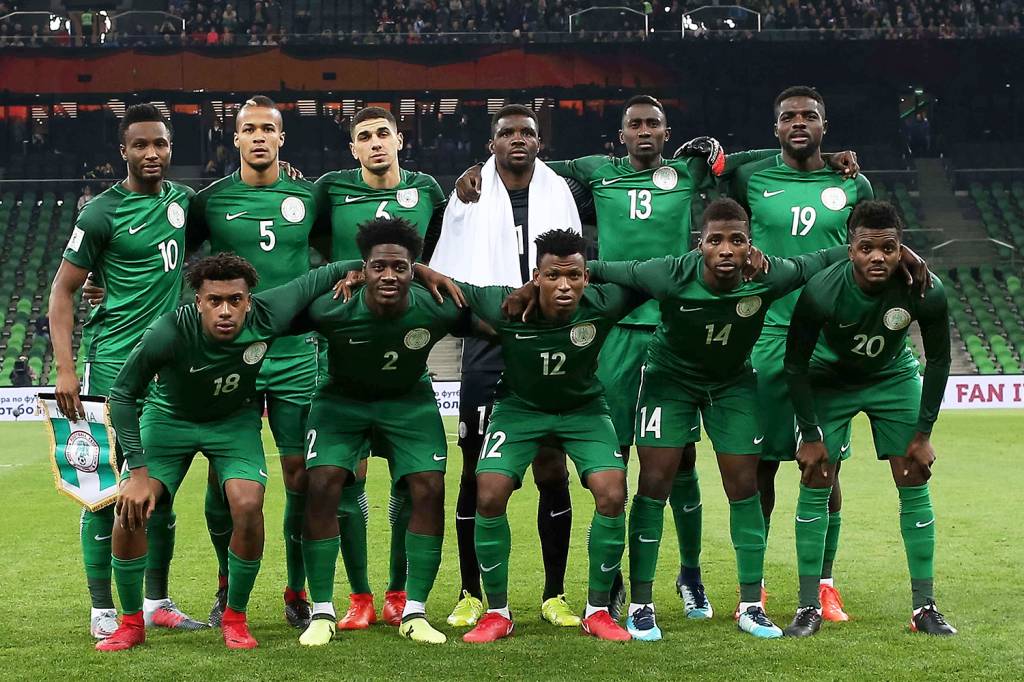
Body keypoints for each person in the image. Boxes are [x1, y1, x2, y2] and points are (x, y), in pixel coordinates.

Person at [455, 95, 857, 619]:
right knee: (615, 458)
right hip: (616, 325)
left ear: (668, 133)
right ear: (620, 134)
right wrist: (476, 169)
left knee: (681, 459)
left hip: (673, 320)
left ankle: (689, 576)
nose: (644, 132)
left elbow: (751, 161)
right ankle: (615, 583)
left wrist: (829, 161)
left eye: (654, 124)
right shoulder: (596, 171)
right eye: (635, 125)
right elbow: (527, 159)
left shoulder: (688, 172)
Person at [577, 198, 874, 640]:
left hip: (732, 384)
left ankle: (751, 605)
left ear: (749, 245)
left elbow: (822, 257)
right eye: (715, 240)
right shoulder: (670, 272)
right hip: (669, 381)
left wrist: (895, 250)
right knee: (655, 483)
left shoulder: (767, 276)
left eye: (737, 240)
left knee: (744, 486)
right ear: (700, 244)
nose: (726, 249)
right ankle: (641, 604)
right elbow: (605, 269)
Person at [98, 253, 358, 652]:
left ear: (249, 300)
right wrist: (136, 472)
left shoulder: (269, 312)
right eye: (214, 301)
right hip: (169, 420)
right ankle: (131, 622)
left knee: (248, 502)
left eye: (235, 300)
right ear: (197, 301)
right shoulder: (167, 331)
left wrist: (407, 269)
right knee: (132, 506)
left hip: (233, 423)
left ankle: (235, 616)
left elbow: (329, 271)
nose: (225, 310)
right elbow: (122, 394)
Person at [430, 104, 592, 629]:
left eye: (526, 132)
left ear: (539, 141)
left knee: (551, 465)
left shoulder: (560, 191)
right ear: (491, 141)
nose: (517, 139)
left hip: (547, 340)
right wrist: (483, 325)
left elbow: (574, 268)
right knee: (476, 470)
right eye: (506, 133)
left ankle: (554, 594)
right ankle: (470, 592)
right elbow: (449, 273)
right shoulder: (467, 194)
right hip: (486, 340)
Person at [50, 103, 204, 640]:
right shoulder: (100, 213)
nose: (151, 153)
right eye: (140, 144)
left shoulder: (184, 201)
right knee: (107, 493)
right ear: (124, 151)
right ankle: (102, 608)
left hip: (167, 373)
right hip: (112, 368)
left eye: (159, 143)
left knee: (155, 490)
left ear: (170, 147)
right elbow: (62, 292)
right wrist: (66, 370)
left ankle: (156, 600)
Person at [449, 229, 641, 643]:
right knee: (488, 491)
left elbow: (653, 278)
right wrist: (403, 269)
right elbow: (448, 287)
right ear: (536, 276)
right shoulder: (503, 304)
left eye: (574, 275)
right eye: (554, 276)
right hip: (520, 410)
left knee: (612, 491)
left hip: (583, 410)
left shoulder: (603, 303)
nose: (565, 285)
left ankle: (597, 610)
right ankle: (497, 612)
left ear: (587, 278)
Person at [186, 95, 331, 630]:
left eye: (269, 128)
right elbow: (173, 256)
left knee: (300, 474)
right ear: (237, 138)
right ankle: (226, 584)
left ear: (281, 137)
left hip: (294, 353)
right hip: (230, 354)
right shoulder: (211, 201)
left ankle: (295, 588)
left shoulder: (308, 196)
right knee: (224, 473)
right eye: (249, 129)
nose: (260, 137)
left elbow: (330, 249)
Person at [731, 86, 874, 620]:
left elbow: (868, 252)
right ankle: (759, 585)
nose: (798, 123)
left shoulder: (851, 182)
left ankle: (825, 583)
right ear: (774, 128)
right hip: (766, 335)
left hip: (829, 338)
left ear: (825, 124)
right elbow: (712, 166)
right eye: (787, 116)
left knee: (825, 469)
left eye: (808, 116)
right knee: (763, 468)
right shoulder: (752, 177)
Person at [782, 200, 956, 637]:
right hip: (830, 376)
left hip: (892, 376)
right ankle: (808, 605)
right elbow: (795, 365)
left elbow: (937, 361)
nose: (877, 257)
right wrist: (809, 433)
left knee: (914, 474)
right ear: (850, 248)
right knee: (817, 474)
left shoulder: (925, 289)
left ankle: (924, 608)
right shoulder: (822, 290)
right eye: (866, 248)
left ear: (901, 250)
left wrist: (923, 433)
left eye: (888, 248)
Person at [296, 218, 469, 647]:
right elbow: (271, 316)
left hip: (408, 402)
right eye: (378, 267)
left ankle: (413, 609)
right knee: (322, 483)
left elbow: (492, 317)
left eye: (400, 268)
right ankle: (322, 611)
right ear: (364, 268)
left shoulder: (437, 305)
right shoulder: (330, 306)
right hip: (341, 402)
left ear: (414, 270)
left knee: (428, 486)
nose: (388, 276)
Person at [313, 106, 447, 628]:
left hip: (405, 340)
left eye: (382, 135)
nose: (374, 144)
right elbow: (304, 235)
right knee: (347, 477)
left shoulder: (429, 190)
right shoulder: (329, 189)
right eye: (364, 137)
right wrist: (345, 275)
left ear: (399, 139)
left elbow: (452, 235)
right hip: (350, 335)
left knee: (409, 484)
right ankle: (359, 595)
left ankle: (398, 592)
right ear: (353, 149)